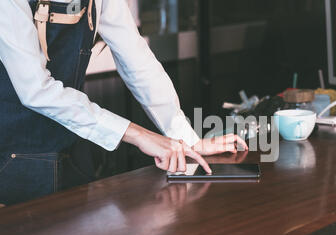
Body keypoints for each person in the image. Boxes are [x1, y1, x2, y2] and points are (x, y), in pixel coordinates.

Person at [0, 0, 247, 206]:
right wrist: (139, 135)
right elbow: (36, 89)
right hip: (15, 158)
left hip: (73, 147)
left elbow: (137, 60)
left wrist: (186, 140)